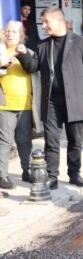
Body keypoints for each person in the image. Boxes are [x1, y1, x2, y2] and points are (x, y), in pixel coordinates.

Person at [16, 6, 83, 190]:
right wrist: (22, 55)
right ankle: (52, 176)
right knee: (51, 140)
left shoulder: (81, 42)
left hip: (75, 100)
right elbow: (32, 67)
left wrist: (80, 90)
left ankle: (74, 174)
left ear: (59, 21)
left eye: (46, 21)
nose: (44, 26)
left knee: (74, 140)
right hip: (52, 100)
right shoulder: (43, 45)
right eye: (43, 22)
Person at [0, 21, 37, 189]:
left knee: (24, 141)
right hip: (4, 105)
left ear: (21, 35)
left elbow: (32, 68)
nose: (10, 34)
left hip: (25, 104)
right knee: (5, 142)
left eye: (14, 31)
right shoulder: (0, 52)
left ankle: (27, 171)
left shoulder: (28, 52)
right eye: (7, 31)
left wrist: (22, 55)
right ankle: (2, 176)